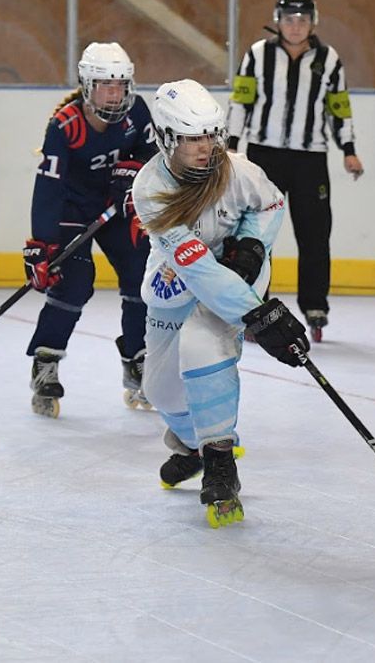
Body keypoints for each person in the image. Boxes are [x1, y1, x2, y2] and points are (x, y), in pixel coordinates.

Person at [131, 79, 311, 529]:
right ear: (167, 138)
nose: (206, 147)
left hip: (234, 273)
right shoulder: (149, 189)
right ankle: (193, 445)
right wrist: (256, 315)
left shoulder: (239, 170)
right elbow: (195, 267)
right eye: (192, 138)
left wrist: (251, 245)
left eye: (211, 134)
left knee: (203, 348)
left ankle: (219, 458)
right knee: (159, 389)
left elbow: (270, 204)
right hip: (181, 273)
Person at [24, 42, 158, 418]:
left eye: (120, 85)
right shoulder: (65, 125)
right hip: (72, 211)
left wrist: (133, 171)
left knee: (139, 272)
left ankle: (137, 359)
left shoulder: (138, 113)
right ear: (87, 85)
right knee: (75, 279)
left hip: (115, 210)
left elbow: (153, 156)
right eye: (104, 85)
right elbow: (48, 188)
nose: (114, 94)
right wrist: (43, 244)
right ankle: (46, 359)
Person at [225, 0, 364, 343]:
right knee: (255, 234)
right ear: (278, 20)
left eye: (303, 19)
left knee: (315, 234)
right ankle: (255, 303)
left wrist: (348, 148)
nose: (296, 26)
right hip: (264, 157)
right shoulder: (256, 56)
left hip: (310, 158)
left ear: (312, 22)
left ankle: (315, 306)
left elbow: (339, 108)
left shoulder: (329, 60)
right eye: (290, 19)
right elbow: (241, 102)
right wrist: (231, 146)